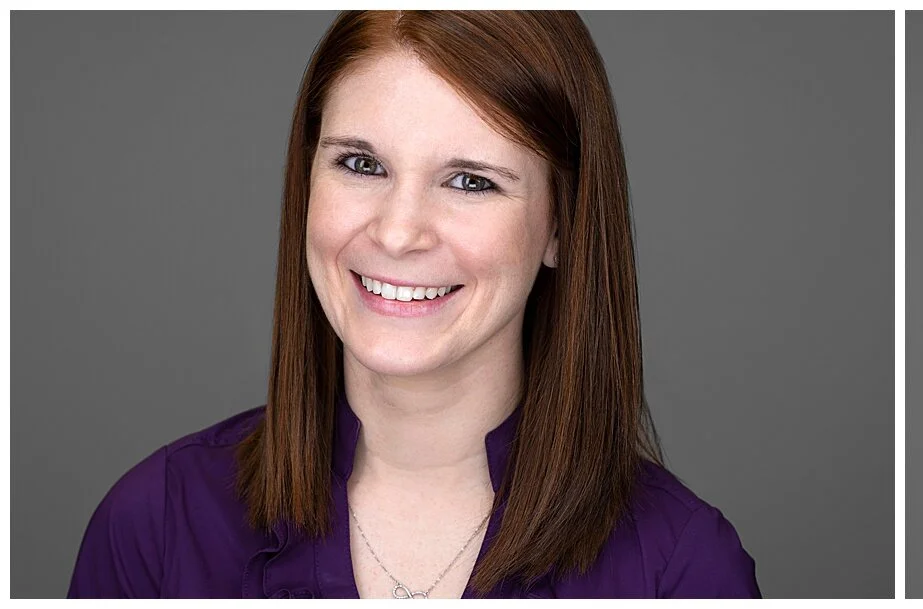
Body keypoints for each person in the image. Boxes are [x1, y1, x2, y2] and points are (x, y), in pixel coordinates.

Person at [69, 11, 759, 599]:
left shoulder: (684, 572)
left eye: (470, 181)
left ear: (561, 225)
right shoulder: (155, 528)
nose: (398, 233)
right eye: (362, 165)